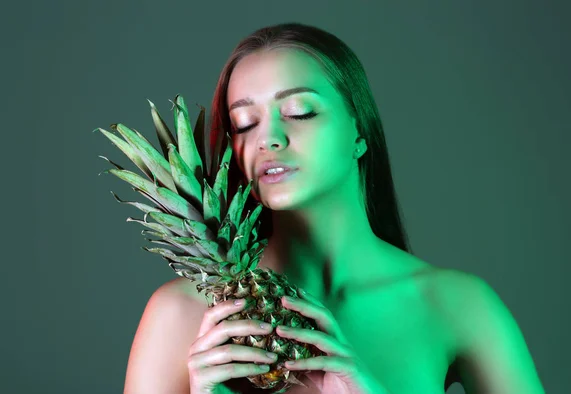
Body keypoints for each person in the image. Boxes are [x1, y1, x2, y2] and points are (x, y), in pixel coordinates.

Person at [123, 22, 546, 394]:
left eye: (299, 112)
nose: (267, 139)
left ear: (359, 132)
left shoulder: (458, 305)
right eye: (245, 124)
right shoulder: (182, 316)